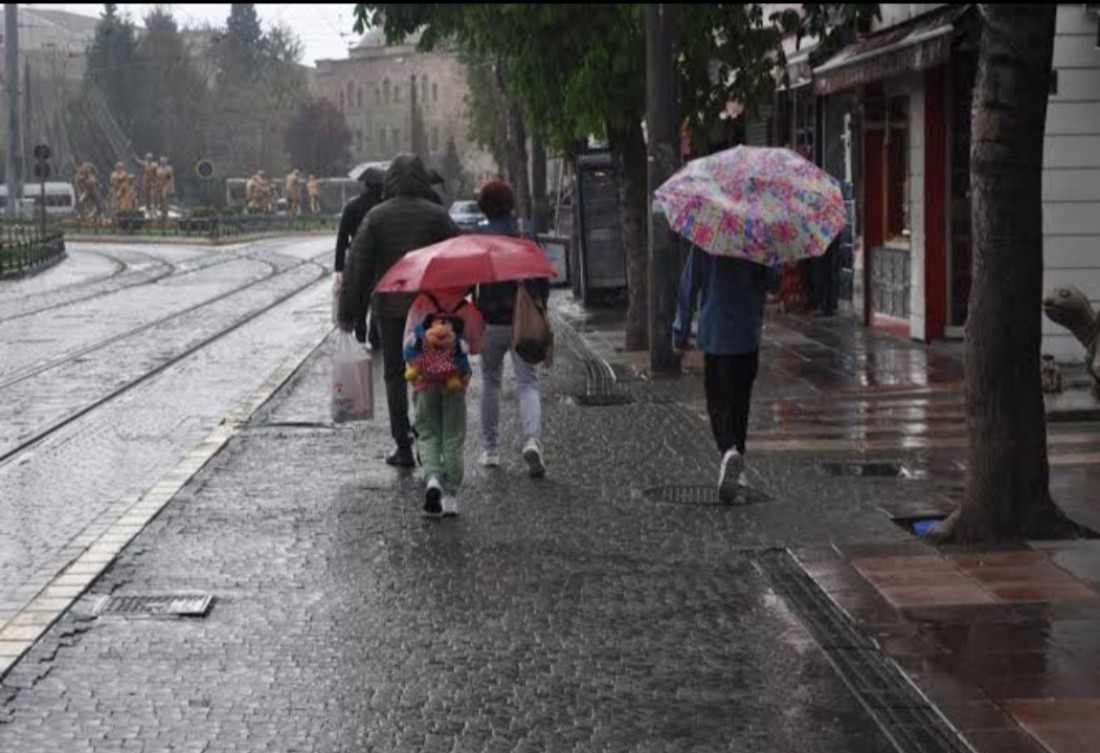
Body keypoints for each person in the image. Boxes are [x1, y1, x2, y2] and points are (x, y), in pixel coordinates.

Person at [338, 154, 460, 469]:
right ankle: (430, 443)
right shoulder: (437, 216)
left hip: (390, 310)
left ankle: (402, 446)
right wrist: (458, 302)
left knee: (394, 375)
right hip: (430, 311)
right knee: (431, 374)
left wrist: (348, 313)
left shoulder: (376, 217)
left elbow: (358, 267)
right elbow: (457, 258)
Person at [673, 245, 781, 501]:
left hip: (716, 333)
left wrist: (680, 331)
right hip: (748, 333)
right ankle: (737, 463)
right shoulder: (760, 239)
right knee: (739, 402)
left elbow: (689, 286)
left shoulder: (708, 238)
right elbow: (774, 283)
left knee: (718, 401)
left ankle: (729, 450)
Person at [473, 180, 550, 477]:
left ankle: (491, 450)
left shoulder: (481, 237)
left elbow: (473, 279)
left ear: (484, 206)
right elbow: (542, 274)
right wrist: (541, 304)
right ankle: (532, 441)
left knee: (491, 383)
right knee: (528, 383)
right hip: (523, 319)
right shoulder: (525, 232)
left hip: (491, 321)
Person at [403, 288, 484, 517]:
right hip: (455, 383)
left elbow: (406, 346)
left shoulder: (420, 303)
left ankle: (432, 480)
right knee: (453, 436)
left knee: (428, 433)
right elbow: (477, 345)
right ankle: (450, 496)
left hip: (424, 384)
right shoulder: (467, 309)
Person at [335, 179, 384, 346]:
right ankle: (375, 333)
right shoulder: (384, 206)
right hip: (381, 258)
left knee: (360, 295)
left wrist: (339, 268)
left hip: (357, 259)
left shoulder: (352, 206)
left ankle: (360, 330)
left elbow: (342, 238)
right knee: (378, 295)